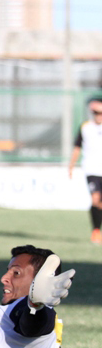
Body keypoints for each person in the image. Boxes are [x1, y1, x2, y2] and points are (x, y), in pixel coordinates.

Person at [69, 96, 102, 245]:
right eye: (95, 112)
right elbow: (77, 148)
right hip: (92, 169)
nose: (98, 116)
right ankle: (96, 230)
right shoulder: (85, 127)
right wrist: (71, 165)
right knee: (95, 199)